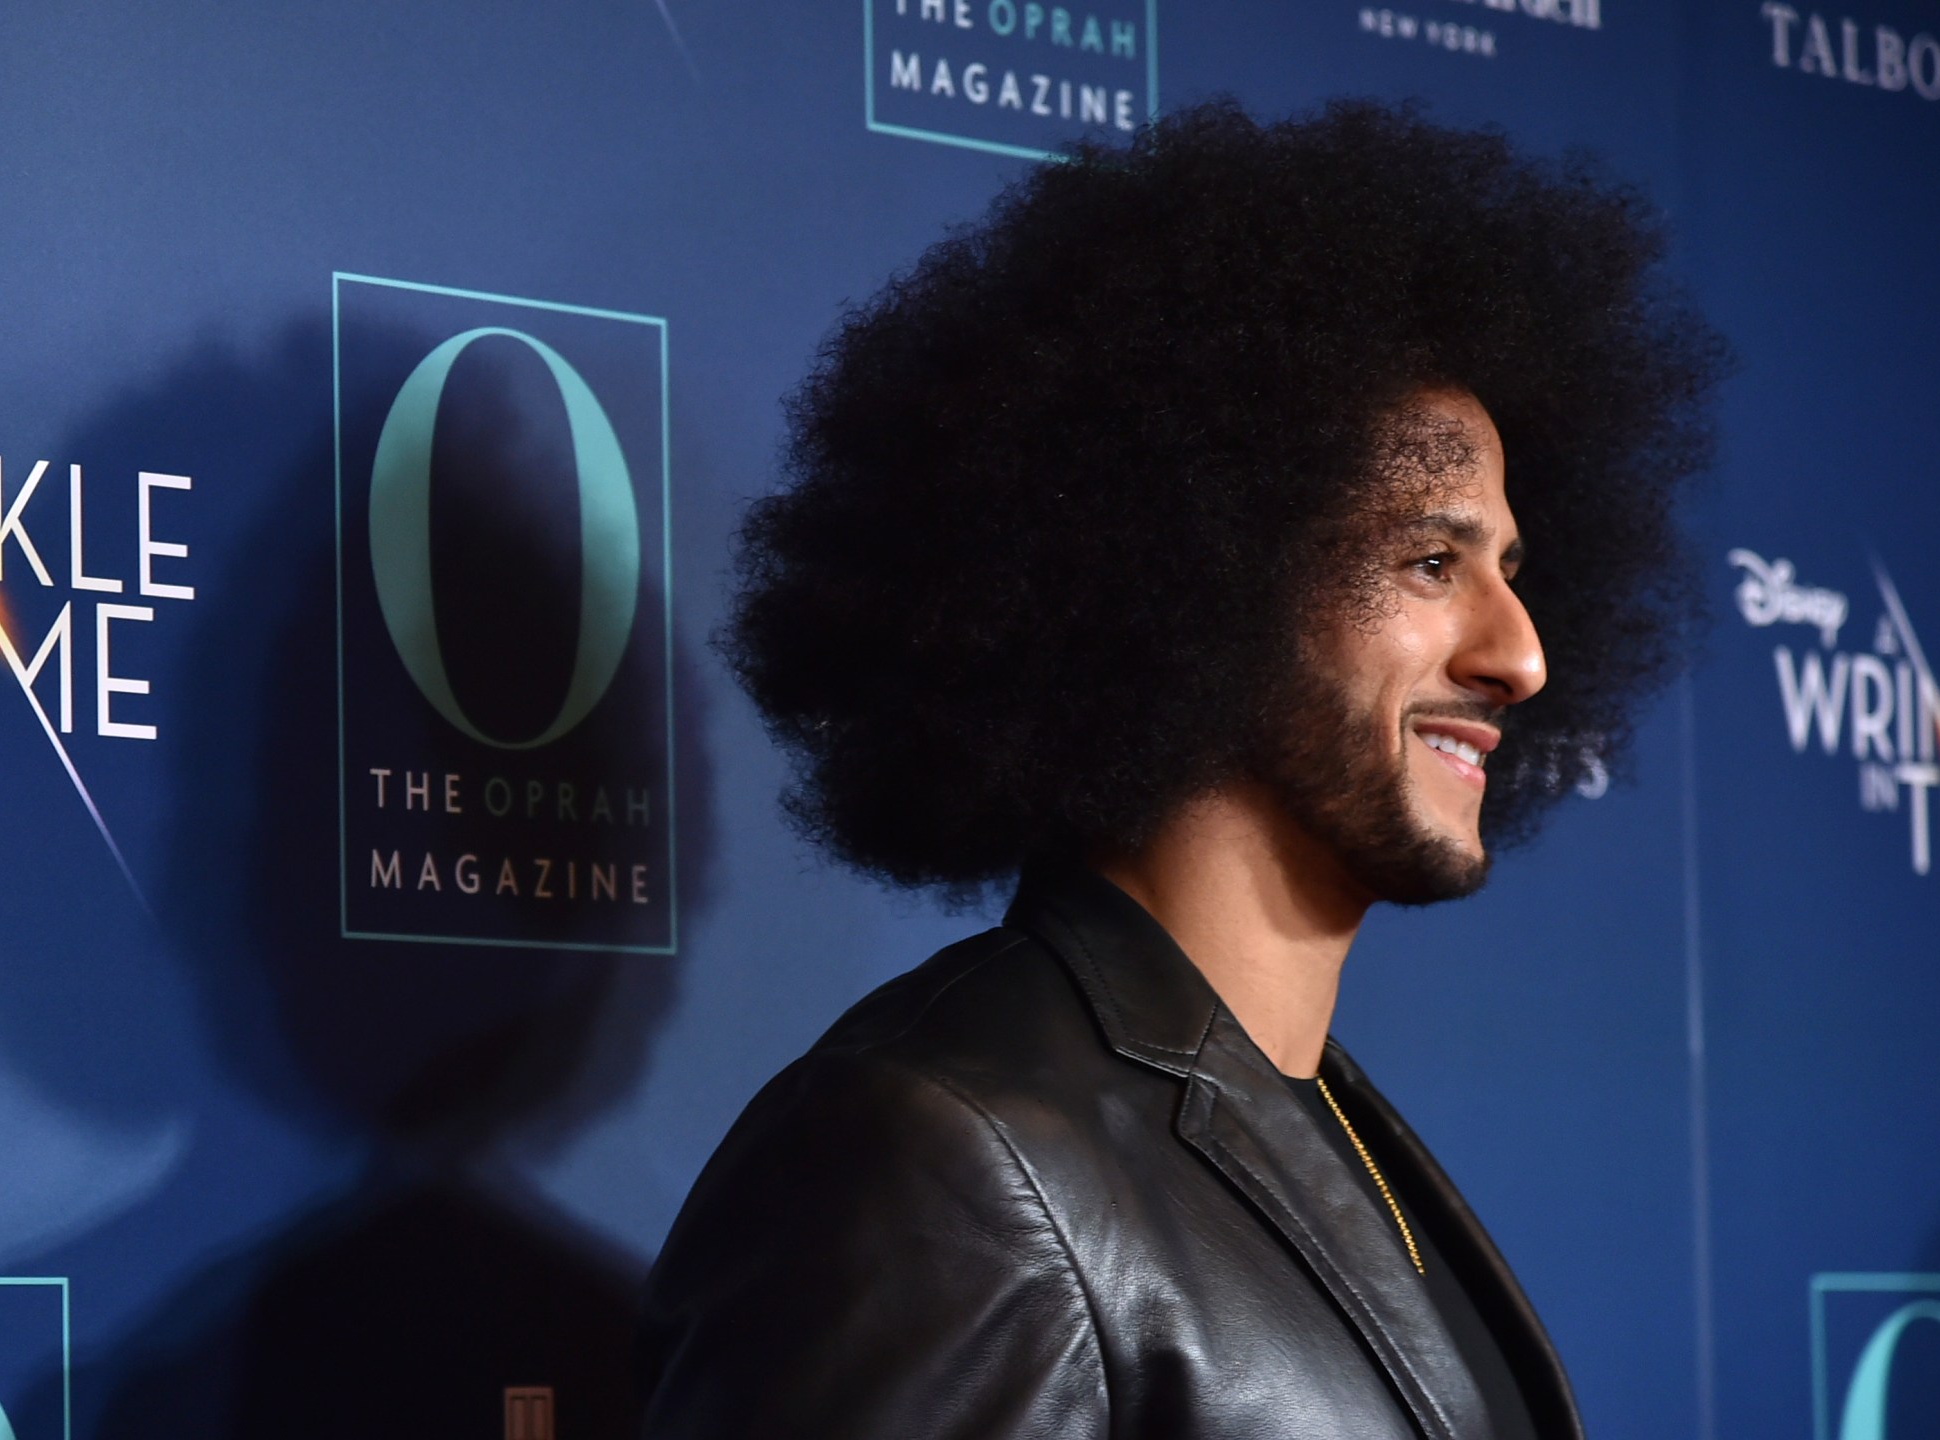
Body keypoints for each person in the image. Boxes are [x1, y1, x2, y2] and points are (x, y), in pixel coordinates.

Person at [636, 99, 1725, 1439]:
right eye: (1431, 564)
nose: (1524, 657)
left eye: (1514, 571)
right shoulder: (946, 1156)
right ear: (1191, 576)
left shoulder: (1319, 1130)